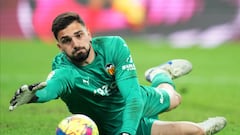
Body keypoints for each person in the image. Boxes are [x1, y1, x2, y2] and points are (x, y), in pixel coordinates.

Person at [9, 12, 227, 135]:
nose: (75, 44)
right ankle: (204, 127)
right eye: (66, 40)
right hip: (110, 126)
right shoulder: (64, 71)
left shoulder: (114, 47)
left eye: (79, 35)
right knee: (196, 133)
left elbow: (132, 95)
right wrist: (37, 96)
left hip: (133, 103)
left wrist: (127, 133)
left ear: (89, 33)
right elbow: (52, 86)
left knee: (174, 99)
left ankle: (160, 73)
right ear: (60, 47)